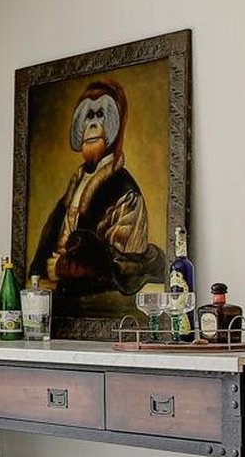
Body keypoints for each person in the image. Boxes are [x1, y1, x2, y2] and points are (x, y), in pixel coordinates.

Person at [29, 75, 166, 304]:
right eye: (88, 116)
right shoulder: (76, 183)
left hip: (97, 302)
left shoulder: (125, 192)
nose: (92, 125)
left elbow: (121, 265)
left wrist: (66, 268)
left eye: (100, 115)